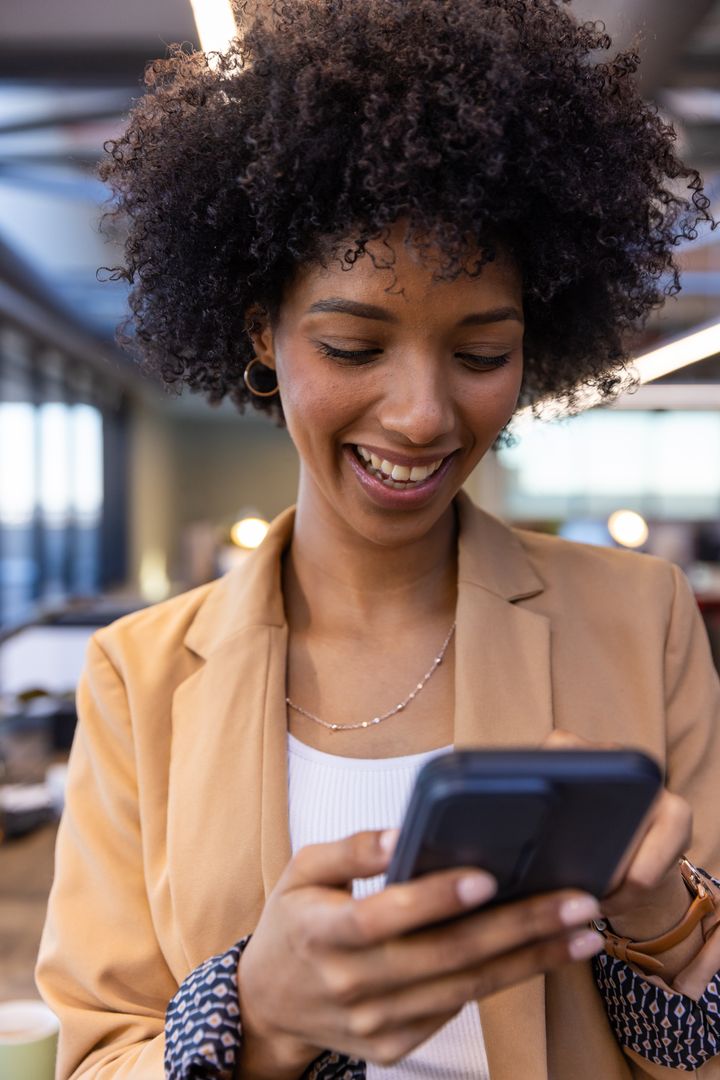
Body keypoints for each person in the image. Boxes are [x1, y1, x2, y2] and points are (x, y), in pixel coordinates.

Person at [36, 1, 720, 1077]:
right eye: (355, 344)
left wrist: (659, 917)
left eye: (482, 353)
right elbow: (92, 1053)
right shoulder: (141, 679)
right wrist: (255, 1017)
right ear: (262, 330)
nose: (422, 415)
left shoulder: (639, 622)